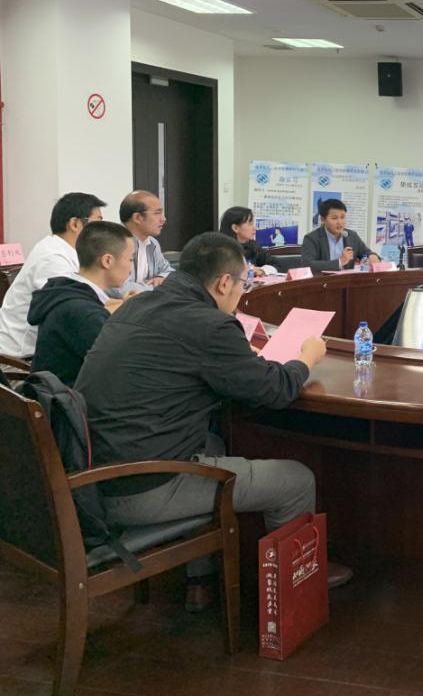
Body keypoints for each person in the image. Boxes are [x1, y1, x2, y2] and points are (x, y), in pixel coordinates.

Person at [75, 232, 351, 611]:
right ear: (224, 282)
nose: (241, 293)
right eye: (243, 284)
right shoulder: (209, 325)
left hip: (91, 475)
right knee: (295, 480)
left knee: (214, 443)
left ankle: (200, 581)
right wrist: (307, 357)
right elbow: (275, 389)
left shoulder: (135, 306)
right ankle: (294, 586)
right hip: (140, 487)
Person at [0, 192, 106, 358]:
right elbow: (73, 308)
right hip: (21, 354)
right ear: (75, 224)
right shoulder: (52, 258)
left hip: (49, 342)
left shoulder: (67, 250)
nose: (102, 231)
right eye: (97, 222)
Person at [28, 221, 133, 385]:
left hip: (58, 391)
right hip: (70, 397)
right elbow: (122, 365)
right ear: (107, 261)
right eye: (131, 259)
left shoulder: (67, 290)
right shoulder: (83, 312)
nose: (131, 268)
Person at [117, 190, 175, 295]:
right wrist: (156, 289)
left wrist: (161, 277)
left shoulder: (152, 243)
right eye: (157, 213)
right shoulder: (114, 242)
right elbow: (119, 288)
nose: (163, 219)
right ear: (137, 218)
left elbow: (169, 271)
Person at [300, 198, 377, 271]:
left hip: (347, 279)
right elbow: (307, 264)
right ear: (323, 219)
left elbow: (366, 253)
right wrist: (340, 262)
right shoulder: (312, 238)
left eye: (342, 217)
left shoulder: (352, 236)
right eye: (334, 218)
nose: (340, 222)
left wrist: (371, 256)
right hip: (322, 279)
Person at [219, 206, 279, 276]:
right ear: (235, 228)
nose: (254, 228)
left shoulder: (253, 245)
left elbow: (276, 264)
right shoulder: (222, 249)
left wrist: (262, 270)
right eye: (250, 224)